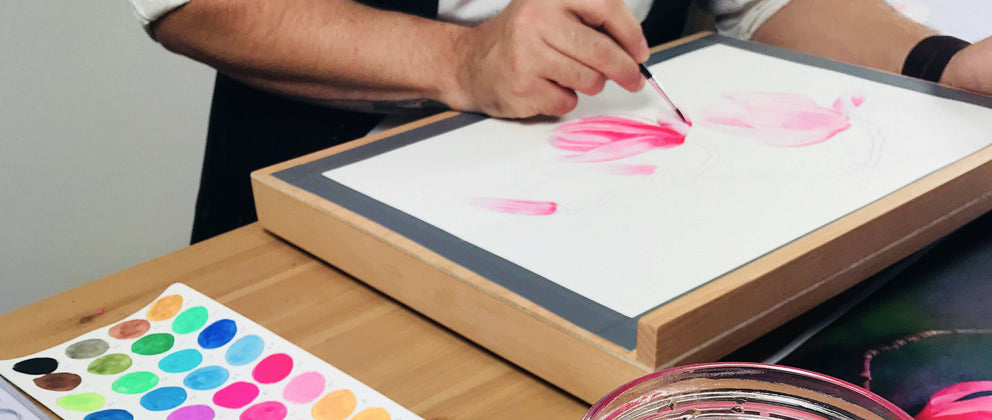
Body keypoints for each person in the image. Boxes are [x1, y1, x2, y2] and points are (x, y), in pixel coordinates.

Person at [129, 0, 992, 243]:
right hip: (339, 218)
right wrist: (459, 62)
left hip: (622, 230)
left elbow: (766, 3)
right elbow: (187, 7)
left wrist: (943, 62)